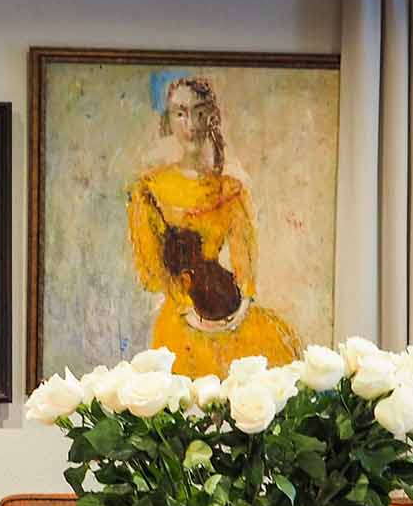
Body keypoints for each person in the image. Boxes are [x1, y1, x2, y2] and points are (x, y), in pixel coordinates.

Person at [125, 73, 299, 378]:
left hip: (227, 306)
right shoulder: (150, 189)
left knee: (273, 348)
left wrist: (238, 309)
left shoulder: (230, 190)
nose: (190, 124)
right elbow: (150, 272)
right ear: (169, 120)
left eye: (199, 112)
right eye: (180, 113)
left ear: (212, 117)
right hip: (181, 316)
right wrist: (187, 306)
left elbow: (245, 265)